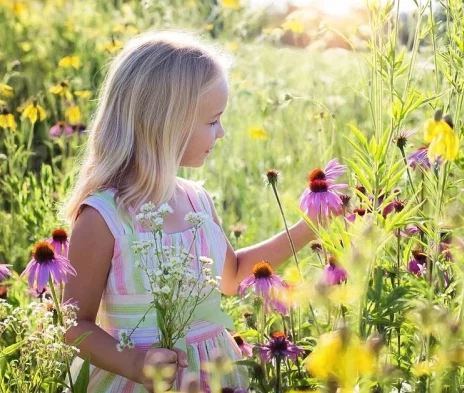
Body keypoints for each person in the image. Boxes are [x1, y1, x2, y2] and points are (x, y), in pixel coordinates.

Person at [60, 30, 321, 393]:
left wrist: (309, 226)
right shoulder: (104, 217)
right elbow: (73, 325)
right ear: (166, 124)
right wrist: (135, 363)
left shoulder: (197, 201)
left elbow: (231, 277)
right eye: (213, 121)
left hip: (215, 376)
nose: (223, 132)